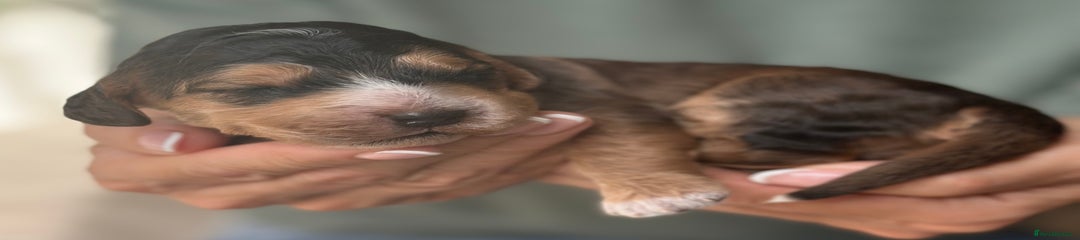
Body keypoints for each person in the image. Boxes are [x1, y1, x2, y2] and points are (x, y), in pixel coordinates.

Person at [82, 1, 1080, 239]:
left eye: (443, 82)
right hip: (390, 223)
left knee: (730, 114)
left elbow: (608, 118)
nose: (412, 107)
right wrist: (170, 154)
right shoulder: (169, 72)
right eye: (263, 90)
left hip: (1031, 155)